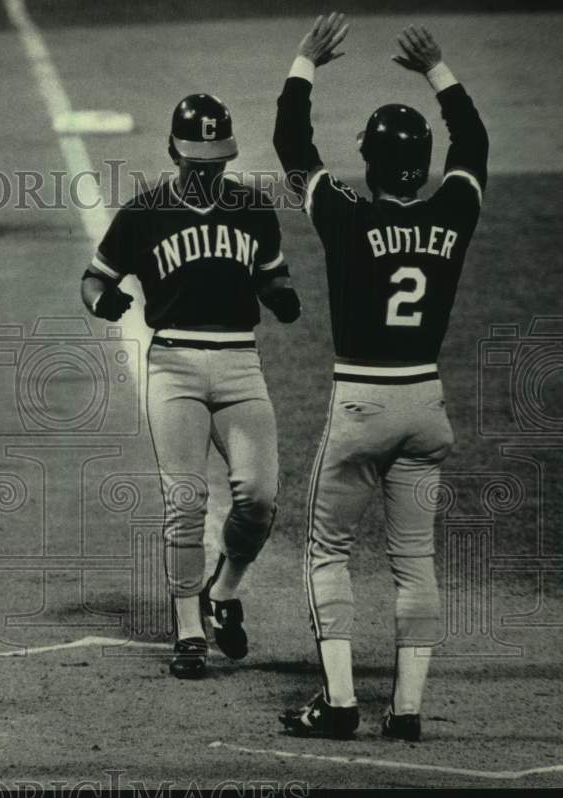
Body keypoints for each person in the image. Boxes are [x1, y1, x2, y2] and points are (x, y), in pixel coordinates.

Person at [273, 14, 488, 740]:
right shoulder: (454, 213)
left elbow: (292, 147)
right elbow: (476, 146)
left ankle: (336, 703)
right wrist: (439, 71)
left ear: (367, 163)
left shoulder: (344, 217)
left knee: (327, 552)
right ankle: (407, 710)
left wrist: (305, 62)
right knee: (414, 561)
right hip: (428, 405)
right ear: (423, 164)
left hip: (362, 404)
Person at [81, 94, 301, 678]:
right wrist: (104, 302)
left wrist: (280, 296)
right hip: (174, 365)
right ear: (174, 151)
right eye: (196, 158)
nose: (207, 168)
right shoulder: (144, 212)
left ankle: (223, 593)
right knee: (185, 500)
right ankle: (187, 629)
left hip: (239, 365)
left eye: (216, 158)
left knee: (258, 498)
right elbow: (93, 278)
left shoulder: (254, 209)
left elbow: (273, 274)